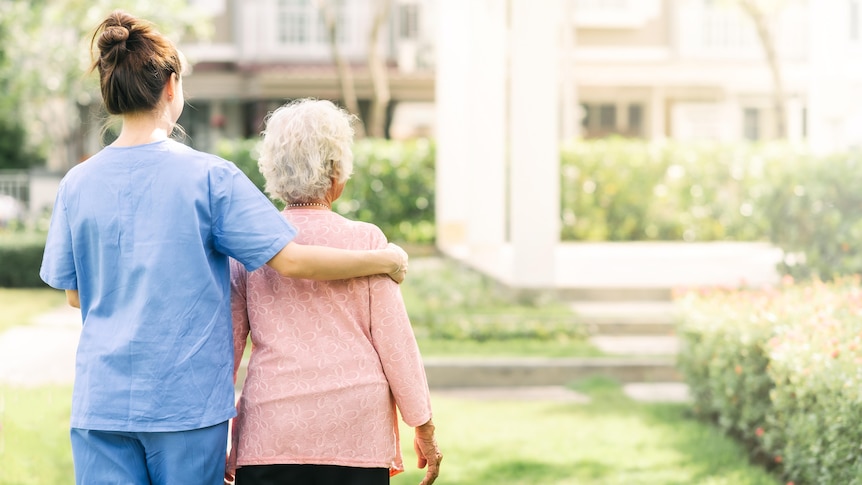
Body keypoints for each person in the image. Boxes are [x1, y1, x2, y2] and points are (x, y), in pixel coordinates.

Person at [38, 11, 408, 485]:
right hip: (185, 406)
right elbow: (291, 259)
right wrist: (383, 259)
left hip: (101, 404)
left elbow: (74, 294)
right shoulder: (210, 178)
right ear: (171, 86)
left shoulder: (76, 183)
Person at [227, 99, 442, 485]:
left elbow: (225, 349)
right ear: (336, 171)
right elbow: (397, 345)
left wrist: (219, 436)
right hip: (356, 432)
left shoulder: (251, 248)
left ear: (273, 170)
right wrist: (423, 426)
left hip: (272, 429)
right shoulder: (367, 242)